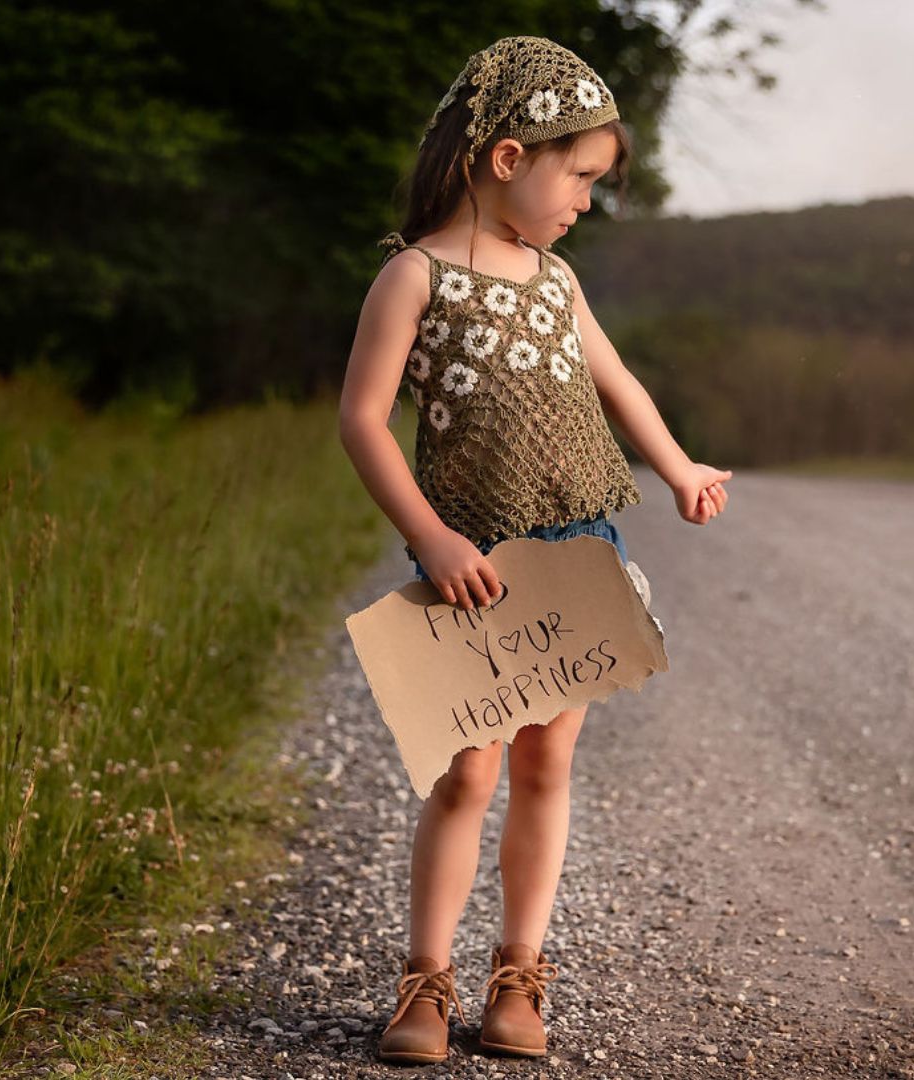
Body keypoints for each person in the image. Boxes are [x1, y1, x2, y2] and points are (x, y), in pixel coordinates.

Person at [338, 35, 732, 1065]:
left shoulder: (557, 282)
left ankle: (520, 975)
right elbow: (363, 421)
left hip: (577, 552)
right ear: (509, 158)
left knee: (548, 762)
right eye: (583, 178)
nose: (587, 204)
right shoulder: (415, 275)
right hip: (472, 559)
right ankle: (425, 985)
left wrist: (681, 468)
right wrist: (429, 533)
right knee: (468, 773)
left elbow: (619, 386)